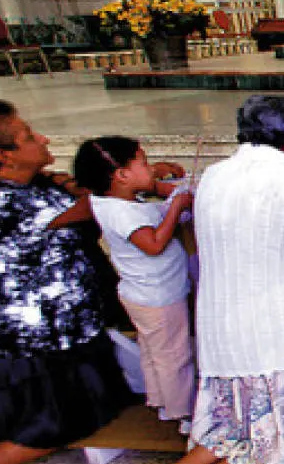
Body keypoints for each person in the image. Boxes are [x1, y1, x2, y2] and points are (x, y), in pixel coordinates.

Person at [130, 96, 284, 464]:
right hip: (273, 332)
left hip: (220, 329)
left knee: (228, 428)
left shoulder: (213, 176)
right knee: (278, 439)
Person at [0, 100, 133, 464]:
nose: (42, 138)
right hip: (42, 348)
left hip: (74, 334)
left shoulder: (34, 186)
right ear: (3, 156)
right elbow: (102, 205)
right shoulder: (14, 204)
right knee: (52, 428)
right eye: (27, 137)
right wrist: (138, 179)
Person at [73, 136, 196, 431]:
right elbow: (153, 244)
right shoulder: (122, 212)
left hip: (143, 294)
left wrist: (165, 189)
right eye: (143, 162)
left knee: (156, 352)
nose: (151, 169)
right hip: (158, 297)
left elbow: (155, 214)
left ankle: (163, 403)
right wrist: (177, 207)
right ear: (121, 175)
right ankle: (187, 414)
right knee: (174, 356)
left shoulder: (112, 200)